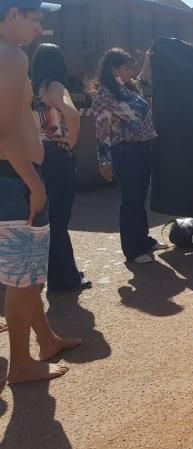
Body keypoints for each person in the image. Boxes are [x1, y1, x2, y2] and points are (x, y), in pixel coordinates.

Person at [0, 0, 81, 384]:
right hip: (15, 180)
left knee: (29, 273)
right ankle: (21, 363)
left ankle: (45, 341)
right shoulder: (11, 57)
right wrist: (33, 184)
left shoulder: (11, 56)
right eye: (34, 19)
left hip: (15, 177)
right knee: (24, 278)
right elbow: (3, 134)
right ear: (12, 14)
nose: (39, 29)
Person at [91, 47, 166, 264]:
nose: (130, 72)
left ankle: (143, 240)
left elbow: (143, 79)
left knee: (139, 198)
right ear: (114, 69)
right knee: (130, 200)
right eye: (126, 68)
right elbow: (102, 130)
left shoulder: (129, 88)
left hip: (142, 148)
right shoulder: (104, 94)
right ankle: (132, 250)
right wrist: (104, 161)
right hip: (125, 151)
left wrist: (147, 60)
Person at [30, 42, 91, 292]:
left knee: (50, 219)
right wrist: (72, 140)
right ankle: (65, 279)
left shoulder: (32, 89)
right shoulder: (55, 86)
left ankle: (61, 272)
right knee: (59, 220)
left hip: (39, 154)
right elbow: (72, 114)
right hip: (58, 153)